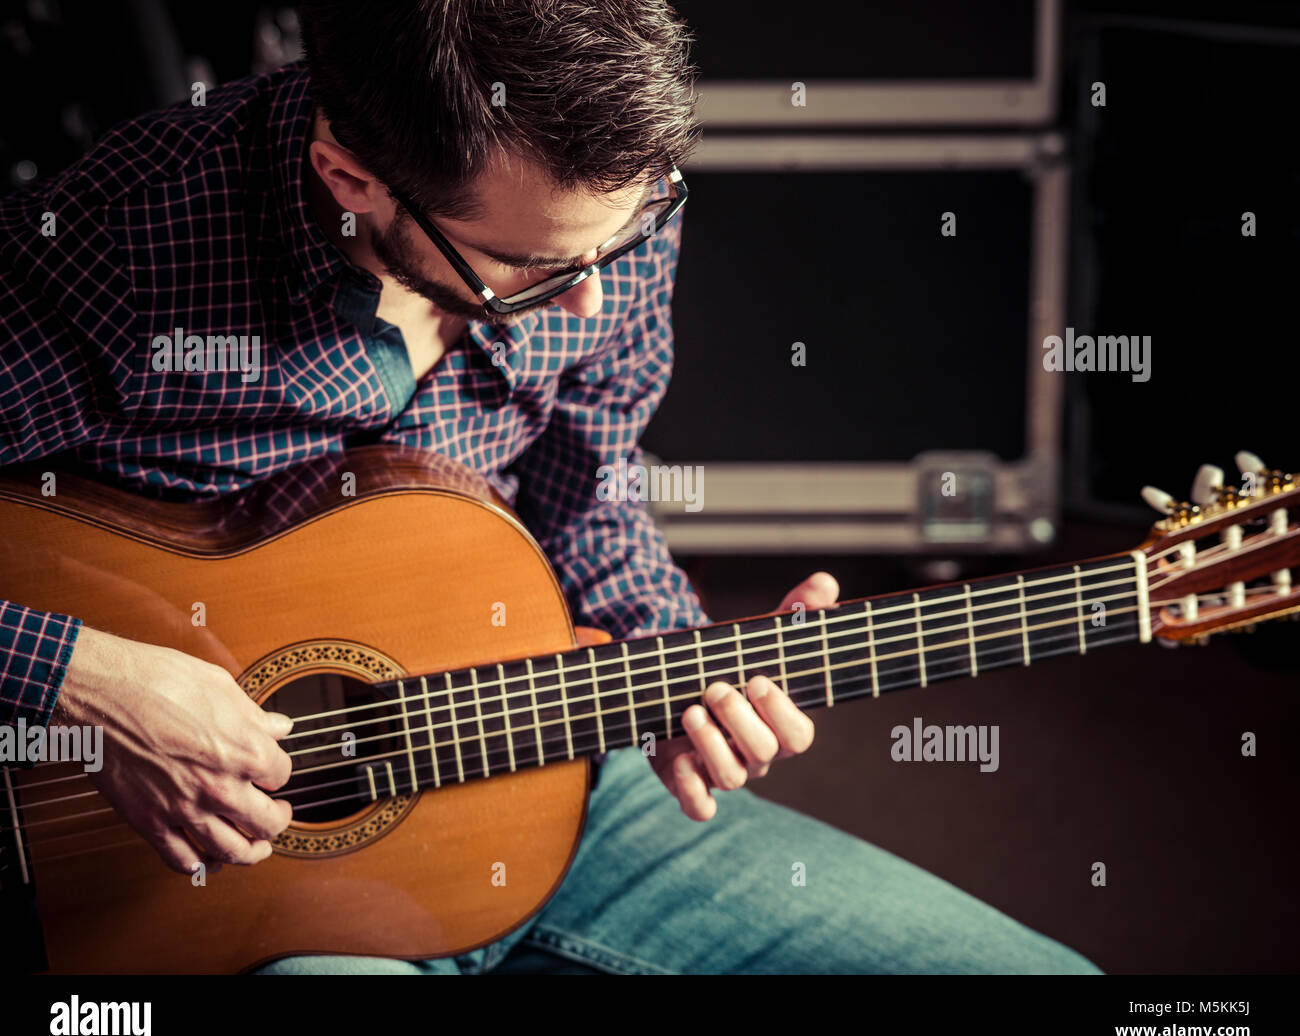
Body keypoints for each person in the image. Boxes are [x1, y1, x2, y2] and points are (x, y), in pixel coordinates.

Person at [0, 0, 1099, 974]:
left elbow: (587, 498)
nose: (589, 305)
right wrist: (87, 686)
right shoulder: (124, 244)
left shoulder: (605, 207)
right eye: (531, 271)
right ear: (353, 180)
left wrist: (679, 664)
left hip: (537, 761)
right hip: (196, 887)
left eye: (622, 239)